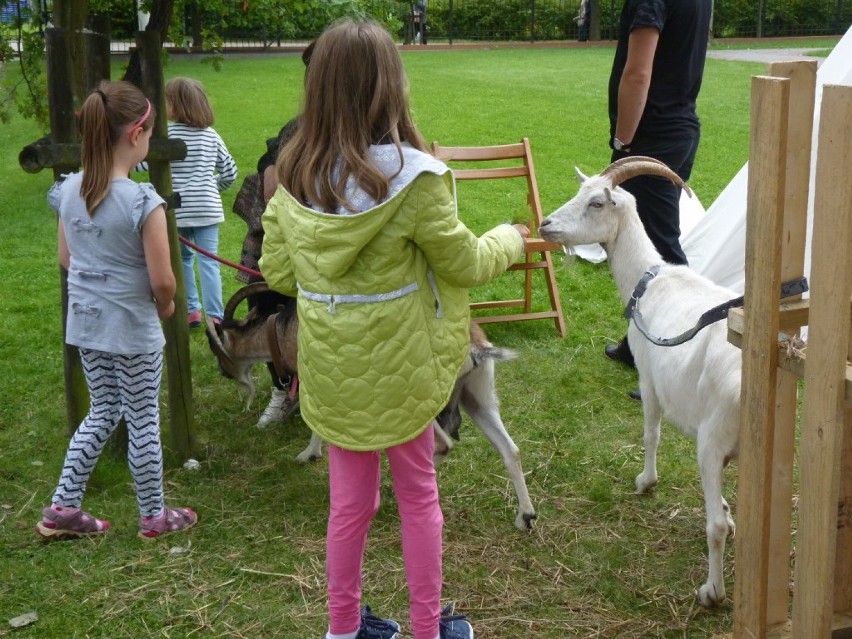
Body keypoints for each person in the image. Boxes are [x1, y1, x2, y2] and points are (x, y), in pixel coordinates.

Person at [260, 18, 528, 639]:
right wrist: (510, 239)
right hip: (406, 374)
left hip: (334, 372)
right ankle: (428, 629)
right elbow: (463, 263)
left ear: (319, 89)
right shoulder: (417, 180)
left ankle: (342, 627)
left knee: (349, 506)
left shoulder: (291, 177)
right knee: (418, 497)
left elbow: (277, 269)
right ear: (392, 86)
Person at [37, 80, 197, 540]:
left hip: (87, 324)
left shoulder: (68, 191)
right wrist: (165, 304)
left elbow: (67, 260)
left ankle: (62, 508)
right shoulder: (142, 202)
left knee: (103, 410)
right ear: (137, 133)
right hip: (131, 326)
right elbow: (164, 279)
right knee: (142, 415)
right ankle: (154, 516)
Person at [604, 0, 712, 387]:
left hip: (653, 135)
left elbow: (638, 72)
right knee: (648, 237)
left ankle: (682, 358)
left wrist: (624, 140)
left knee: (660, 246)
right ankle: (637, 345)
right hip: (680, 126)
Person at [232, 42, 313, 429]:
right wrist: (269, 167)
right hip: (287, 238)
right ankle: (282, 388)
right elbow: (273, 150)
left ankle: (315, 388)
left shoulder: (368, 132)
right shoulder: (300, 126)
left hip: (327, 245)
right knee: (268, 300)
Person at [165, 76, 238, 327]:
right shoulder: (211, 136)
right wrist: (213, 187)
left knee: (183, 259)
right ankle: (215, 317)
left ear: (174, 104)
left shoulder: (167, 135)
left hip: (178, 208)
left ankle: (192, 311)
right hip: (207, 207)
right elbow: (230, 172)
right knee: (210, 261)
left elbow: (143, 162)